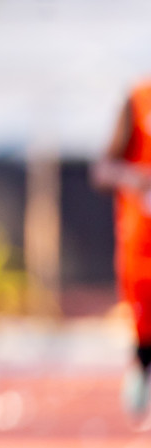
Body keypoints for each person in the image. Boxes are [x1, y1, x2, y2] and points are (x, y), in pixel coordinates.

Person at [93, 82, 151, 422]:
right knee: (144, 318)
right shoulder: (138, 99)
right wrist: (135, 178)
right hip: (141, 243)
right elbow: (102, 169)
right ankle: (141, 367)